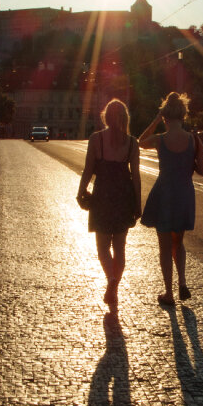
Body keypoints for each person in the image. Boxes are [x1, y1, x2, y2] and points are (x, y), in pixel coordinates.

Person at [139, 92, 203, 307]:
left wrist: (155, 120)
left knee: (164, 246)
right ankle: (183, 282)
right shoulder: (193, 139)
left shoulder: (161, 139)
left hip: (164, 193)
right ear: (183, 114)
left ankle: (169, 292)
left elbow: (140, 141)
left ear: (166, 116)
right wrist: (190, 163)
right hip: (184, 194)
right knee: (178, 243)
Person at [77, 99, 141, 309]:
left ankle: (111, 280)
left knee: (103, 247)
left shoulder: (97, 139)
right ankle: (114, 285)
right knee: (120, 247)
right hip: (124, 196)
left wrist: (81, 191)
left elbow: (88, 169)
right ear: (125, 118)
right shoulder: (132, 143)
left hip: (102, 195)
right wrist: (138, 204)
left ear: (105, 116)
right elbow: (136, 177)